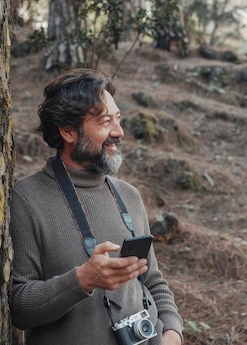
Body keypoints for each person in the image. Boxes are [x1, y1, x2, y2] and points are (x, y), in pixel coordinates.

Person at [10, 69, 183, 345]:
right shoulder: (27, 198)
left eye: (118, 119)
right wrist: (82, 280)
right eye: (105, 122)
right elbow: (19, 306)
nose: (119, 131)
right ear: (67, 131)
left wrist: (172, 331)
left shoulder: (129, 196)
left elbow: (152, 280)